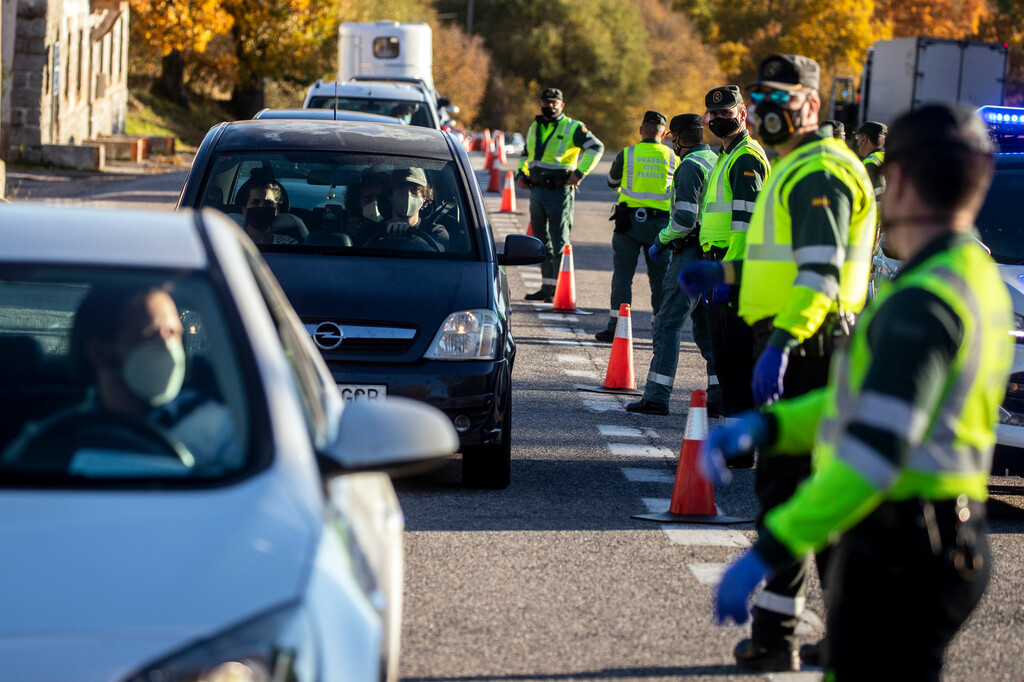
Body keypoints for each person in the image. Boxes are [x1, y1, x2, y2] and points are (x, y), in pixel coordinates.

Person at [704, 104, 1010, 681]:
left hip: (904, 548)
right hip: (945, 537)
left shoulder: (921, 302)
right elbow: (871, 401)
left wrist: (773, 547)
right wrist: (774, 425)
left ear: (901, 183)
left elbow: (874, 448)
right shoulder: (972, 276)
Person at [680, 53, 875, 671]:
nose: (767, 111)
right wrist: (728, 271)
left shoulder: (818, 171)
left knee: (791, 493)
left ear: (813, 105)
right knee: (795, 493)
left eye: (780, 99)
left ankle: (784, 639)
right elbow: (783, 262)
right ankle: (801, 634)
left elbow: (817, 276)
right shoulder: (796, 167)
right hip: (800, 339)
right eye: (760, 99)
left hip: (809, 345)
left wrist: (783, 346)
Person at [3, 284, 241, 472]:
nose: (168, 348)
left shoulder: (220, 431)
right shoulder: (51, 436)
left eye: (174, 334)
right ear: (100, 353)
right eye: (150, 336)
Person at [684, 86, 771, 426]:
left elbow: (746, 224)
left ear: (742, 114)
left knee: (736, 359)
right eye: (713, 114)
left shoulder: (745, 157)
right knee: (725, 359)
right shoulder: (726, 155)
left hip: (733, 269)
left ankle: (741, 442)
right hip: (718, 262)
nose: (718, 119)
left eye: (725, 113)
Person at [625, 113, 719, 415]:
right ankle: (719, 395)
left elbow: (684, 219)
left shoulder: (689, 166)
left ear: (675, 137)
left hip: (690, 255)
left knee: (667, 323)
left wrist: (662, 240)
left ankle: (656, 396)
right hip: (714, 254)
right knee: (707, 329)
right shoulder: (715, 160)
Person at [516, 87, 604, 302]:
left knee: (559, 239)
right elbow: (526, 154)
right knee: (540, 240)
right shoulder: (535, 126)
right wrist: (520, 173)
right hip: (537, 190)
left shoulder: (572, 127)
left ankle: (559, 287)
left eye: (555, 102)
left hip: (559, 191)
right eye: (546, 102)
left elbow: (596, 147)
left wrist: (580, 172)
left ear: (562, 105)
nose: (550, 105)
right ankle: (547, 287)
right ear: (541, 103)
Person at [595, 111, 676, 343]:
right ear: (663, 133)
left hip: (628, 223)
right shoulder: (673, 157)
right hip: (660, 226)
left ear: (641, 130)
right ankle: (660, 327)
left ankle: (616, 326)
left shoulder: (627, 153)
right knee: (660, 278)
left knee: (622, 275)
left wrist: (628, 195)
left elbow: (612, 183)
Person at [354, 167, 452, 251]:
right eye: (401, 188)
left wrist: (410, 236)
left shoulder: (436, 232)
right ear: (390, 195)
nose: (408, 194)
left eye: (414, 189)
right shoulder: (370, 233)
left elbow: (439, 260)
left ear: (424, 196)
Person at [856, 120, 887, 209]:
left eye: (858, 137)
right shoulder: (886, 157)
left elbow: (875, 196)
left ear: (864, 139)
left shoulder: (870, 162)